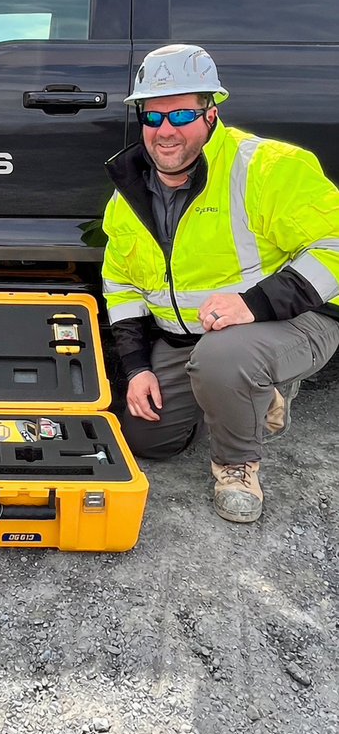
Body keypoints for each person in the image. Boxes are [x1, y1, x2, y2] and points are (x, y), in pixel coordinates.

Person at [102, 44, 339, 524]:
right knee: (147, 441)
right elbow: (121, 285)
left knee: (225, 356)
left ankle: (236, 465)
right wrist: (136, 368)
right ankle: (245, 394)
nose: (165, 130)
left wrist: (254, 304)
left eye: (182, 113)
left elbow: (333, 247)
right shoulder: (128, 193)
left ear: (212, 113)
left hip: (295, 321)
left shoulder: (267, 167)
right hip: (187, 338)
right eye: (152, 116)